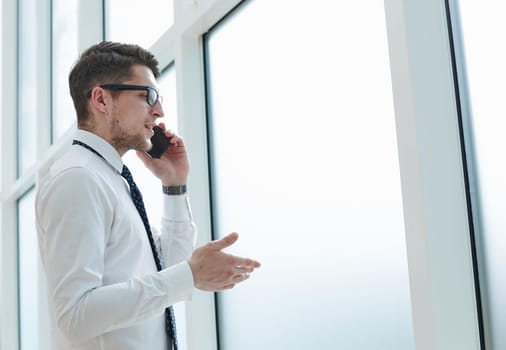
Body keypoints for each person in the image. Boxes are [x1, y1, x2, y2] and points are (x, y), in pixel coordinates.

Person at [35, 41, 261, 350]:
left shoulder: (110, 178)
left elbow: (168, 269)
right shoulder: (78, 178)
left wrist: (174, 185)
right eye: (146, 96)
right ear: (101, 99)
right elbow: (75, 315)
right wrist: (188, 275)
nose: (159, 111)